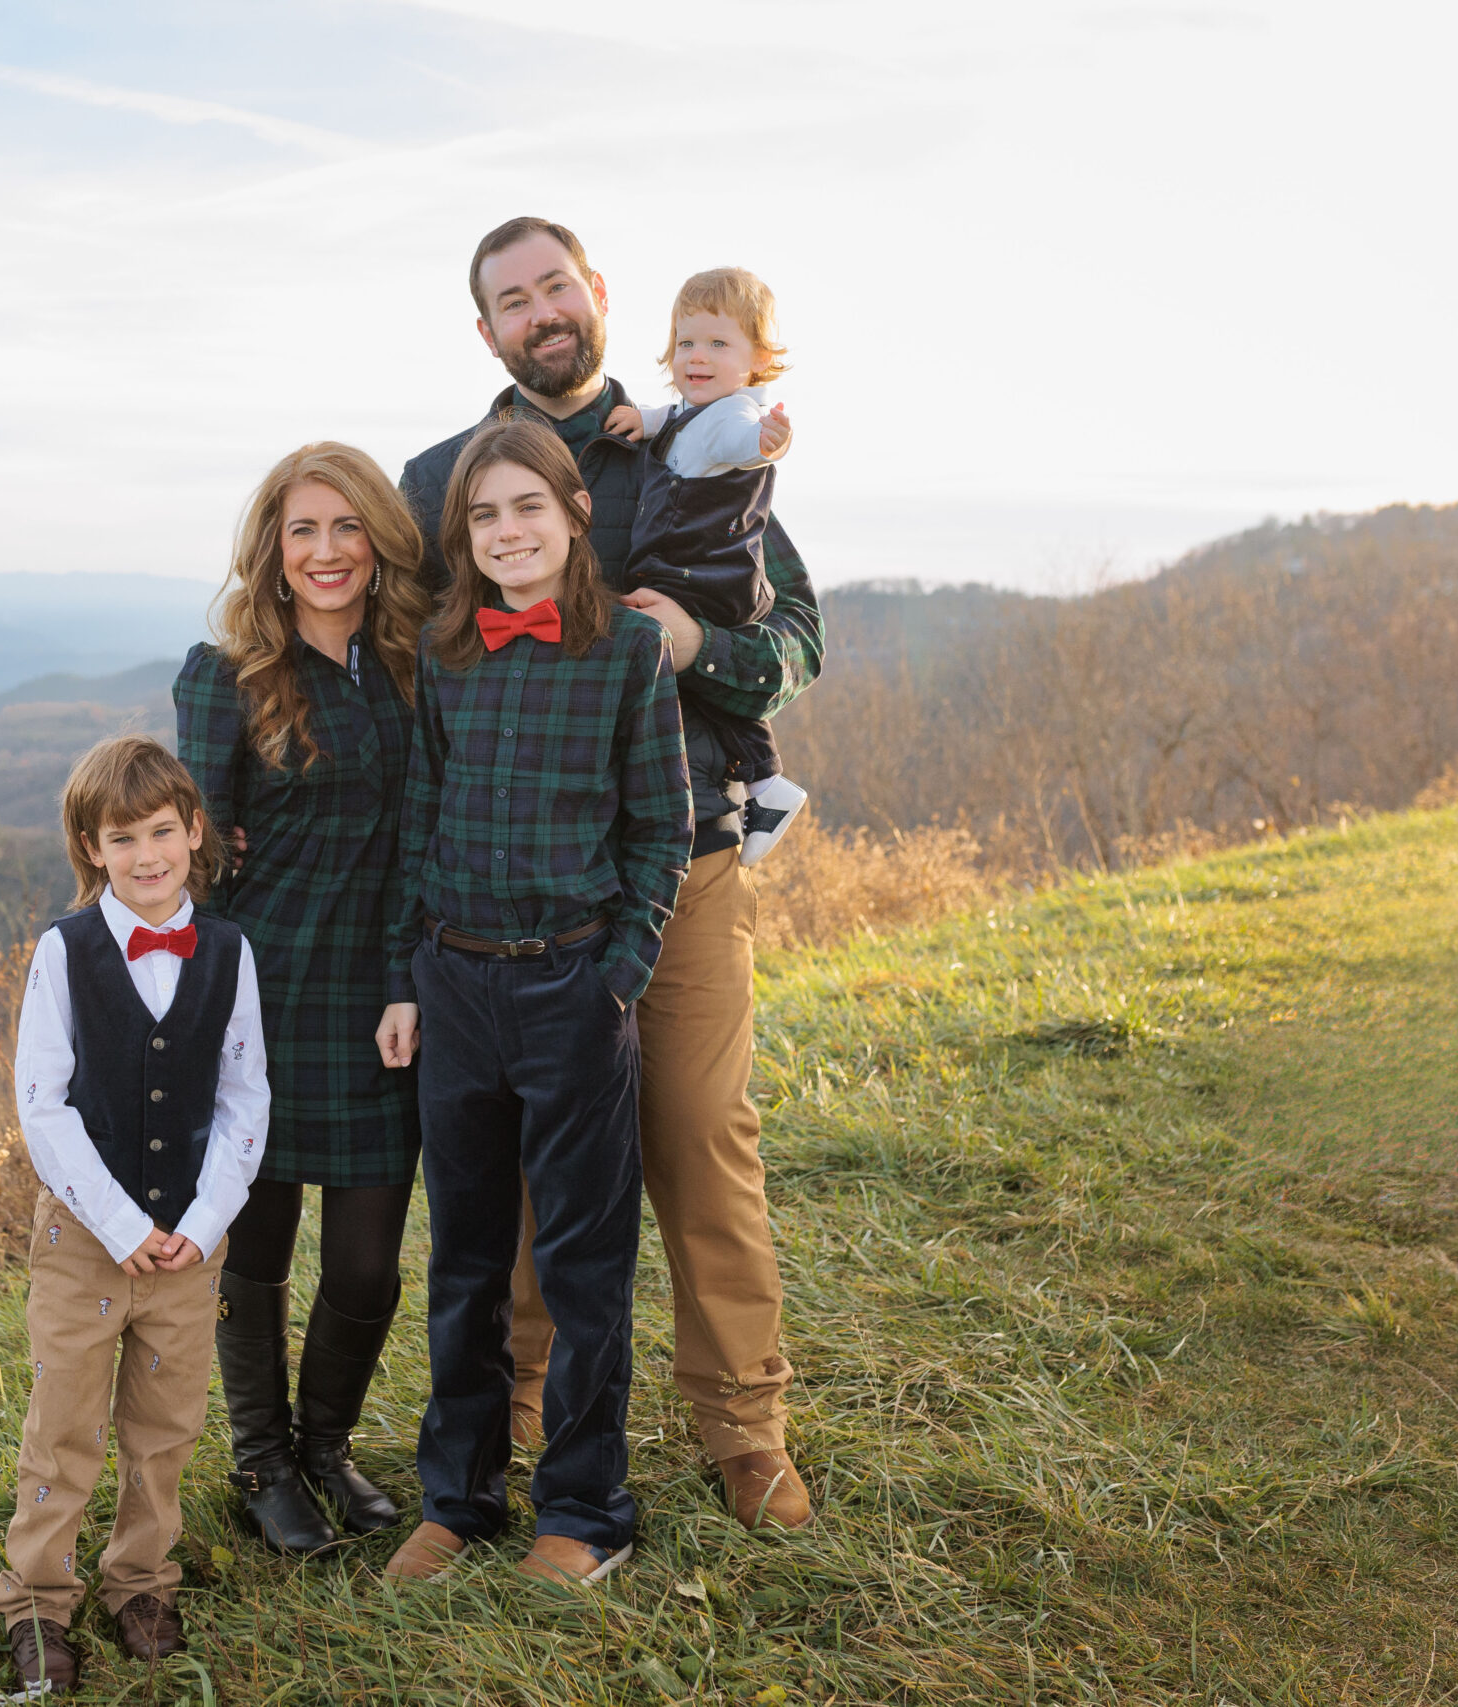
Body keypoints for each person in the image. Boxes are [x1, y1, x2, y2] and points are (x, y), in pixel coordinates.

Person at [400, 216, 826, 1533]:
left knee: (700, 1140)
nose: (540, 312)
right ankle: (523, 1410)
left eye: (555, 286)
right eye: (511, 300)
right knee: (522, 1167)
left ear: (597, 296)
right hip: (509, 904)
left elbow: (799, 635)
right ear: (487, 333)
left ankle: (742, 1423)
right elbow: (402, 668)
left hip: (679, 863)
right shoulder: (435, 483)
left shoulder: (692, 446)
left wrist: (705, 641)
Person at [375, 417, 691, 1588]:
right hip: (455, 986)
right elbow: (421, 822)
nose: (506, 533)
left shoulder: (625, 658)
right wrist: (410, 973)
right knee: (461, 1261)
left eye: (526, 509)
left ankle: (583, 1512)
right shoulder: (447, 655)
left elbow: (662, 829)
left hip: (572, 986)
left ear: (573, 515)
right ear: (463, 536)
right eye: (484, 516)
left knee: (579, 1265)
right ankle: (455, 1501)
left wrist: (617, 976)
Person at [174, 444, 431, 1557]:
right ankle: (261, 1463)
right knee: (261, 1249)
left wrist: (402, 981)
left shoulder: (421, 666)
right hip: (260, 992)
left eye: (344, 528)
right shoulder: (223, 676)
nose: (325, 552)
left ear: (377, 540)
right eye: (301, 533)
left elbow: (425, 839)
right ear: (273, 557)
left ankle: (326, 1447)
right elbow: (192, 863)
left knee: (368, 1259)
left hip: (381, 995)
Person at [0, 735, 271, 1697]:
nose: (148, 854)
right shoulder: (62, 954)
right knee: (63, 1423)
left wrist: (201, 1220)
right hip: (85, 1240)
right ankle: (37, 1599)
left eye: (163, 831)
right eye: (124, 837)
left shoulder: (230, 952)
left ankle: (143, 1580)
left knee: (165, 1422)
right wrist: (121, 1226)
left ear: (195, 831)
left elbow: (245, 1097)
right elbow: (44, 1105)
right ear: (90, 845)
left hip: (192, 1241)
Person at [603, 266, 810, 867]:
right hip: (687, 572)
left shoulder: (735, 419)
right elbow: (674, 420)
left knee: (702, 675)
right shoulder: (698, 410)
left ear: (759, 358)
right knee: (700, 684)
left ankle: (768, 783)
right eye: (687, 342)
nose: (697, 356)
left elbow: (745, 442)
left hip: (708, 577)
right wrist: (644, 419)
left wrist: (770, 443)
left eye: (719, 344)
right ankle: (766, 785)